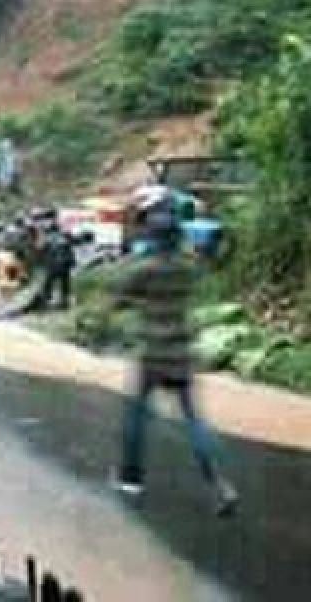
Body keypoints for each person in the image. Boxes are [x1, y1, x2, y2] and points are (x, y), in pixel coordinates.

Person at [113, 199, 239, 516]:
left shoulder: (143, 269)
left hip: (152, 355)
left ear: (151, 235)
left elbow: (118, 298)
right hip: (181, 354)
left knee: (137, 418)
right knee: (194, 422)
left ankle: (131, 479)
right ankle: (218, 483)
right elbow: (213, 257)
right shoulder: (186, 267)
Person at [40, 222, 77, 310]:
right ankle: (65, 303)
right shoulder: (65, 236)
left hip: (53, 266)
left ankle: (45, 302)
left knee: (48, 284)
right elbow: (72, 249)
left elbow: (42, 250)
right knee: (65, 284)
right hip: (65, 266)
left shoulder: (48, 238)